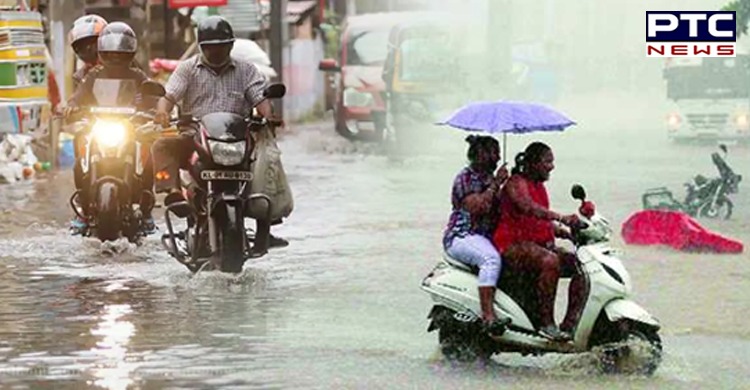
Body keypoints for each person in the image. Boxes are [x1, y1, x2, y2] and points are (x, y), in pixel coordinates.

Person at [151, 15, 287, 249]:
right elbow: (168, 96)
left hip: (237, 139)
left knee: (266, 162)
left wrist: (268, 115)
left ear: (231, 46)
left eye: (221, 47)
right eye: (211, 48)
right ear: (202, 47)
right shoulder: (187, 69)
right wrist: (163, 112)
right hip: (195, 135)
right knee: (161, 145)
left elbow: (260, 97)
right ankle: (173, 191)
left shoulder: (246, 70)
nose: (216, 52)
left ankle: (266, 223)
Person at [66, 22, 157, 234]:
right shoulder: (92, 76)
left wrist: (153, 111)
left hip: (130, 127)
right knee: (81, 154)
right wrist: (71, 107)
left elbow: (151, 97)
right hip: (101, 125)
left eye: (120, 54)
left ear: (130, 53)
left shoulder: (138, 76)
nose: (115, 58)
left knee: (147, 153)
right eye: (111, 54)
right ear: (103, 53)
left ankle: (146, 206)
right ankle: (83, 204)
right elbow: (78, 97)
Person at [492, 142, 586, 342]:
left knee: (582, 266)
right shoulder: (515, 183)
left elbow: (540, 222)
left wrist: (567, 233)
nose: (552, 166)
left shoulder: (539, 186)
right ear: (533, 163)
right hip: (510, 245)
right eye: (547, 161)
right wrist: (561, 217)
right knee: (549, 261)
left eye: (552, 161)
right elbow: (528, 208)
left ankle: (570, 324)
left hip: (535, 245)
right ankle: (546, 325)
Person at [443, 135, 510, 333]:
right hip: (463, 235)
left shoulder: (490, 179)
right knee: (490, 259)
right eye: (493, 152)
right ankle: (488, 316)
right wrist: (496, 184)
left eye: (498, 152)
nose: (497, 157)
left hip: (487, 236)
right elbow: (477, 207)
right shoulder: (465, 178)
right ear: (480, 154)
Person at [69, 15, 108, 88]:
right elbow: (77, 96)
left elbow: (135, 82)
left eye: (93, 42)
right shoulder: (81, 76)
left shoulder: (123, 62)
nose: (89, 48)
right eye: (83, 45)